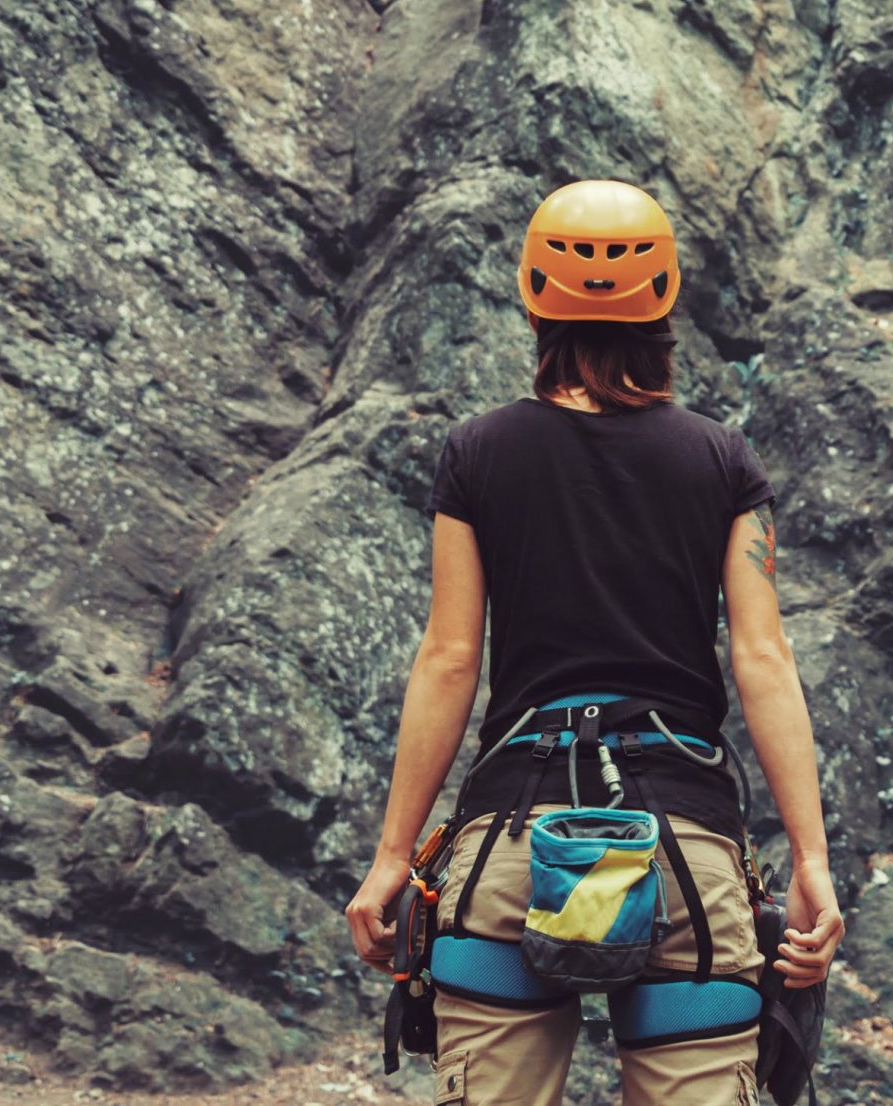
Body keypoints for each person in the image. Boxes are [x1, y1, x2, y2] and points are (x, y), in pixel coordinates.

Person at [346, 178, 844, 1106]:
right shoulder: (724, 461)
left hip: (509, 845)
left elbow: (450, 659)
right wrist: (811, 864)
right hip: (684, 852)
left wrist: (392, 858)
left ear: (533, 299)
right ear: (665, 302)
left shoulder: (478, 453)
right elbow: (763, 659)